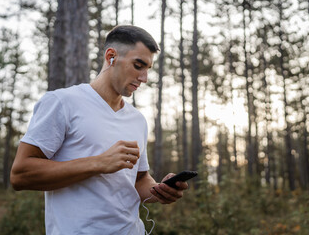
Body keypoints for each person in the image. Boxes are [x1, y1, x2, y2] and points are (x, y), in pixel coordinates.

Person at [10, 25, 188, 235]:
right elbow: (20, 174)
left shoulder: (137, 120)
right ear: (111, 56)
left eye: (148, 68)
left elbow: (139, 179)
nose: (144, 78)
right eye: (138, 65)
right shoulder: (62, 102)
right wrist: (99, 163)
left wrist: (159, 191)